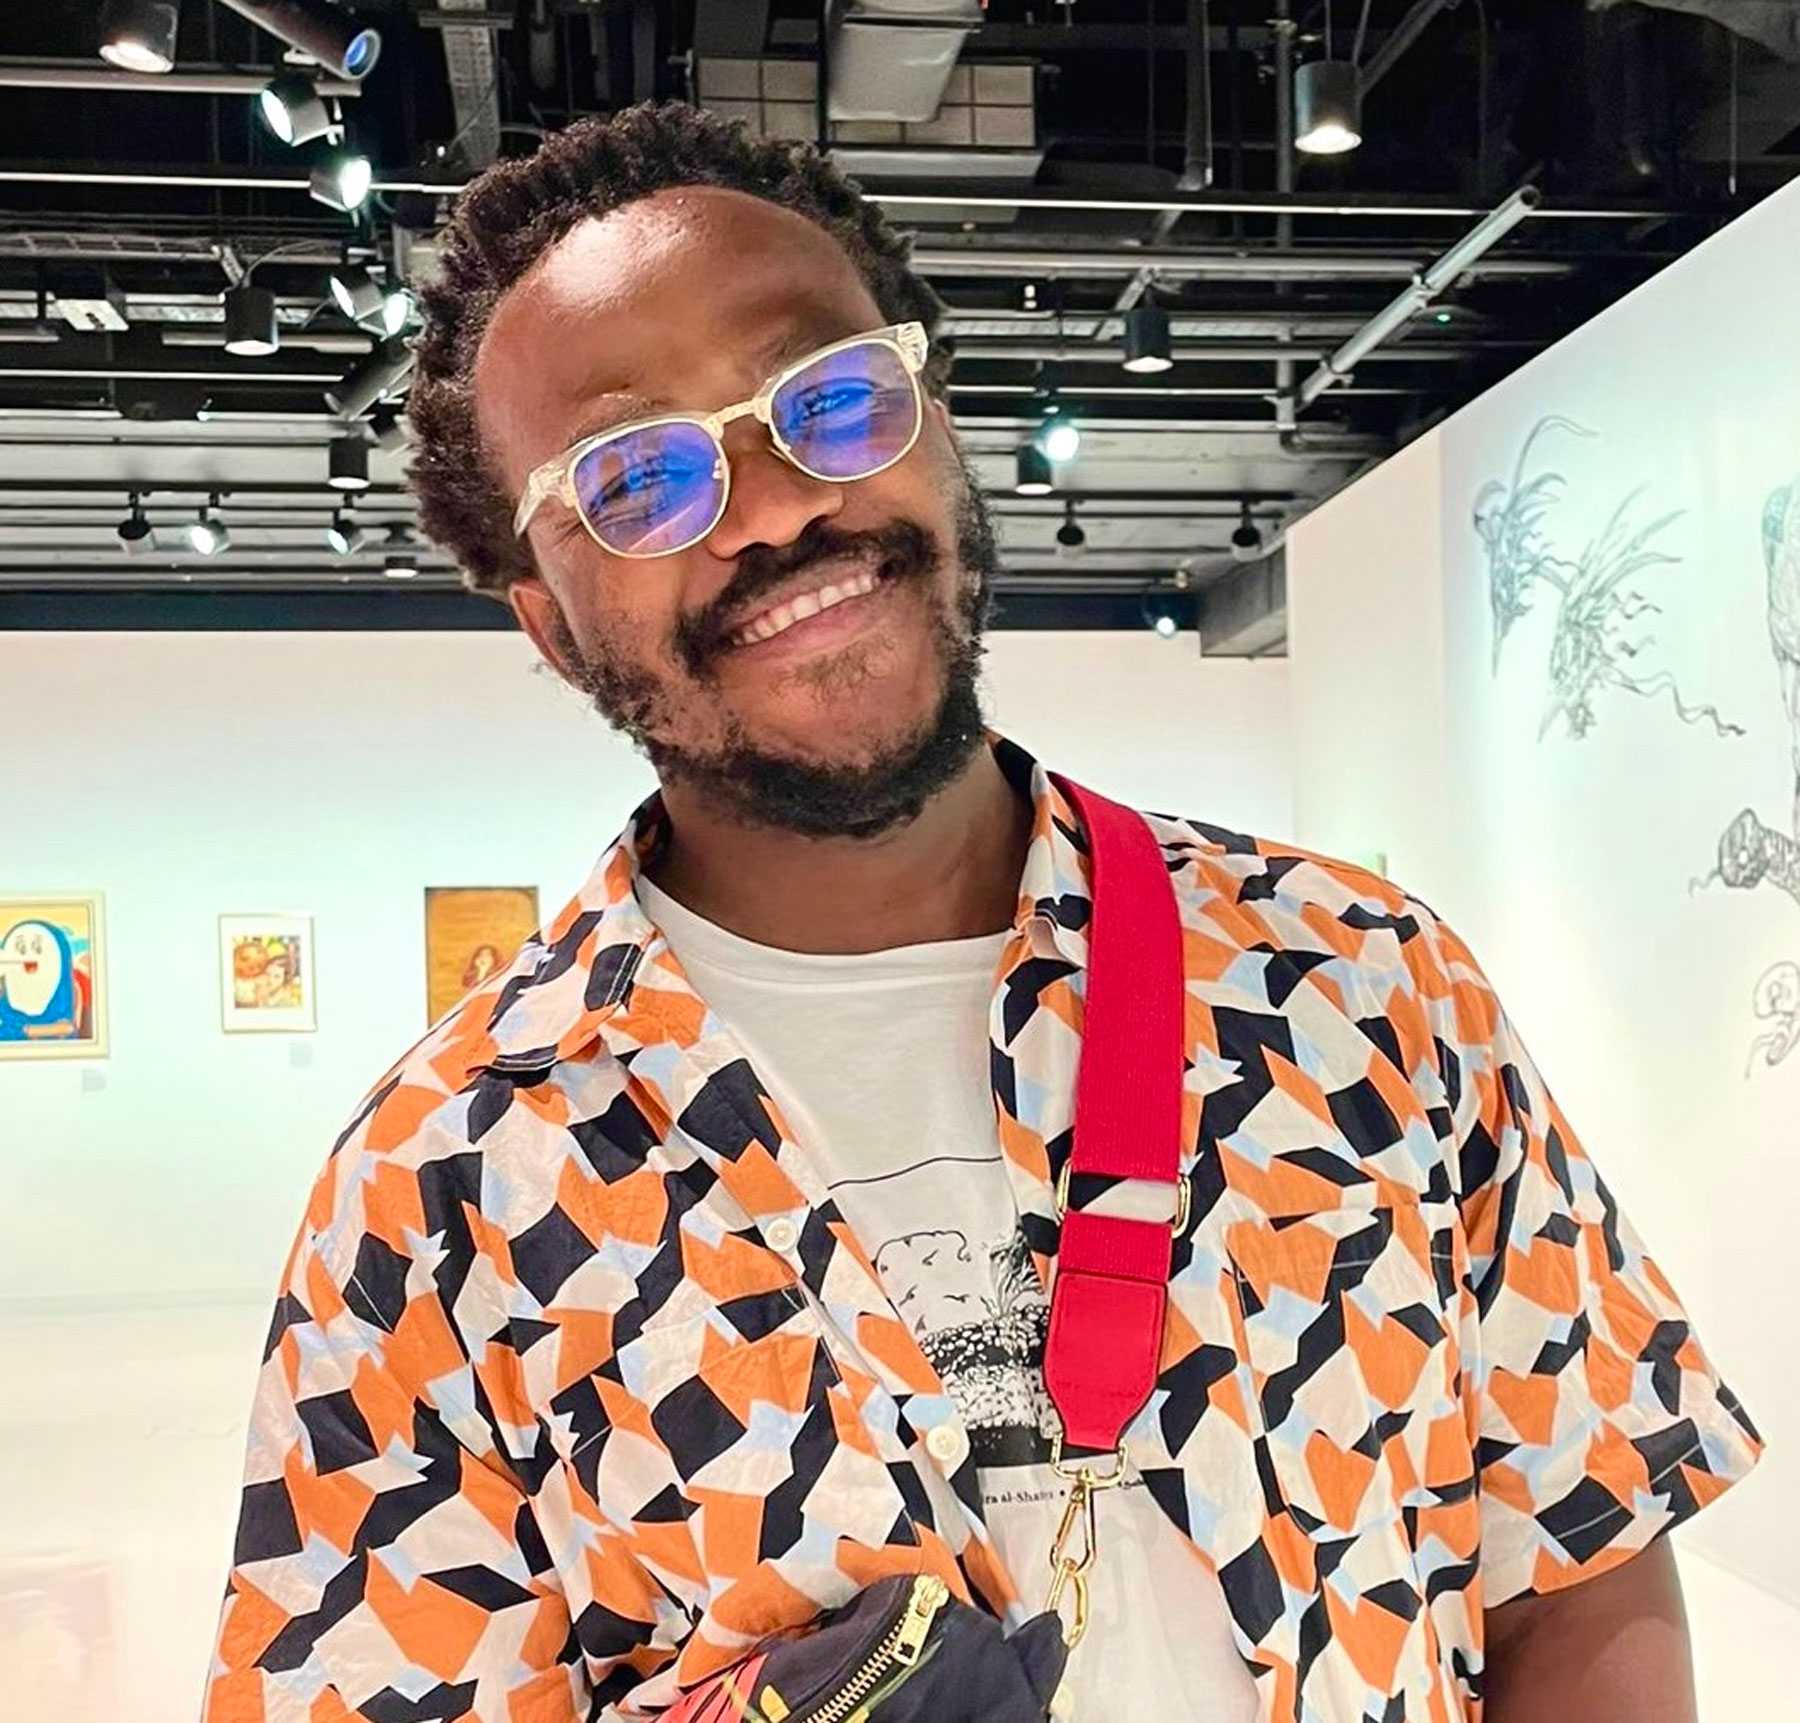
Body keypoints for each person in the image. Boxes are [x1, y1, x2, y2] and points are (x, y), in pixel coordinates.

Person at [204, 103, 1760, 1723]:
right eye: (637, 478)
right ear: (547, 621)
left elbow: (1581, 1542)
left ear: (937, 417)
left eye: (829, 397)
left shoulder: (1360, 985)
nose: (769, 505)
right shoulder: (445, 1185)